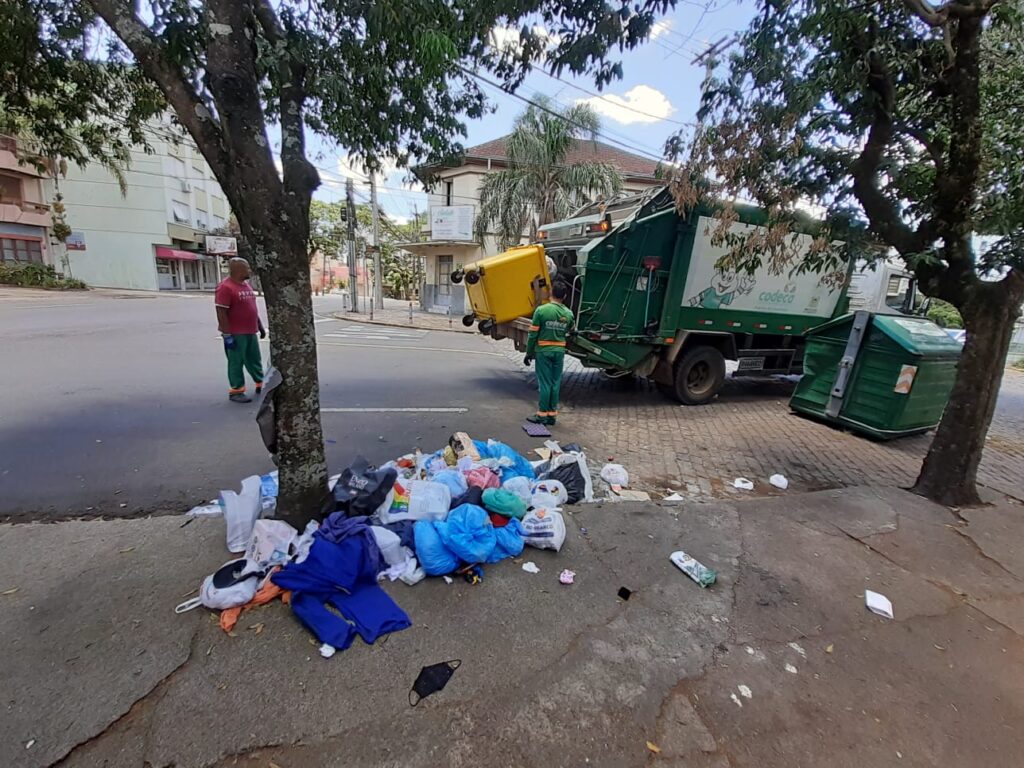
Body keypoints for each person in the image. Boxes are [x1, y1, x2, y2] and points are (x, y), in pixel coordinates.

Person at [214, 257, 266, 403]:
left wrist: (260, 326)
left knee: (254, 359)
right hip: (236, 333)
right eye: (247, 268)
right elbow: (221, 312)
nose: (249, 270)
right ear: (237, 270)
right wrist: (227, 334)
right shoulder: (225, 287)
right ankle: (236, 390)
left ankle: (260, 382)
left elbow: (252, 309)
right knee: (236, 361)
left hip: (250, 331)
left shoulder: (246, 285)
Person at [523, 282, 574, 426]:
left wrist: (529, 353)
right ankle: (552, 416)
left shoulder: (541, 311)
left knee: (544, 383)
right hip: (559, 352)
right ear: (564, 296)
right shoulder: (568, 313)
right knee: (555, 383)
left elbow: (533, 334)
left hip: (544, 352)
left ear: (550, 293)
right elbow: (571, 330)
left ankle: (541, 415)